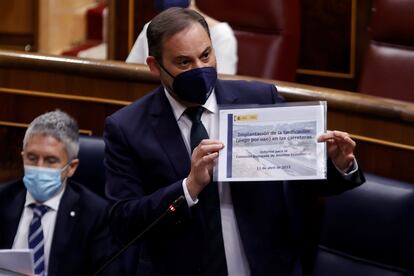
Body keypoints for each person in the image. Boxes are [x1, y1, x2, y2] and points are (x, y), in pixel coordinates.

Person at [104, 7, 365, 276]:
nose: (200, 69)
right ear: (154, 66)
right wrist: (188, 187)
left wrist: (338, 164)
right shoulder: (127, 128)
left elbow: (304, 181)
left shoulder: (261, 100)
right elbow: (123, 222)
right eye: (184, 62)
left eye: (206, 55)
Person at [0, 110, 119, 276]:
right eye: (32, 158)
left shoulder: (95, 215)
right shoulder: (3, 199)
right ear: (22, 157)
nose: (39, 167)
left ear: (71, 167)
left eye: (50, 161)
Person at [126, 0, 238, 75]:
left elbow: (222, 88)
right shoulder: (151, 28)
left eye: (205, 55)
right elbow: (129, 74)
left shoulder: (221, 34)